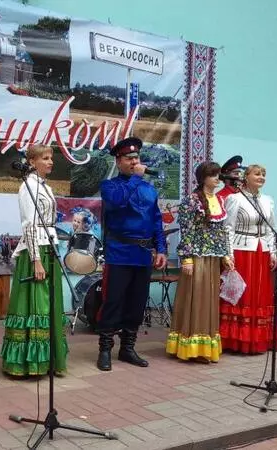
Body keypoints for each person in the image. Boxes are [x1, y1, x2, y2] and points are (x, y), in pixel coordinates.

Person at [97, 137, 167, 371]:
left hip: (143, 254)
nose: (134, 162)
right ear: (118, 162)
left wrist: (161, 249)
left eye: (136, 158)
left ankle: (127, 349)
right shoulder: (109, 186)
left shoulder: (149, 189)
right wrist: (136, 178)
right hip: (119, 252)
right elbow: (118, 201)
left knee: (137, 303)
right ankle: (105, 350)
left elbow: (156, 220)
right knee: (113, 301)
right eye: (129, 158)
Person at [0, 144, 68, 377]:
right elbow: (28, 225)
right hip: (35, 250)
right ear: (31, 161)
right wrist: (36, 260)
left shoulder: (44, 187)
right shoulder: (27, 186)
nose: (50, 162)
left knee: (50, 305)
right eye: (45, 158)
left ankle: (49, 359)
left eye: (51, 158)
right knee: (36, 304)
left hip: (49, 246)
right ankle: (28, 363)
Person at [167, 161, 233, 363]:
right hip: (196, 257)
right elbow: (186, 230)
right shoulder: (192, 200)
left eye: (218, 174)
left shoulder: (219, 200)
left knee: (210, 299)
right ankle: (191, 345)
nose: (217, 178)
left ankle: (205, 345)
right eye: (213, 175)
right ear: (203, 177)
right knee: (195, 299)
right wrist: (186, 258)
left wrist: (225, 255)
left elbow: (221, 232)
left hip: (213, 258)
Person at [219, 164, 277, 354]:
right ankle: (236, 340)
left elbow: (270, 229)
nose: (261, 177)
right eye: (257, 174)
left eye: (264, 174)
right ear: (246, 177)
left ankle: (258, 338)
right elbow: (228, 228)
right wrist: (228, 254)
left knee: (260, 293)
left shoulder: (268, 200)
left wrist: (273, 252)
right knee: (242, 294)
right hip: (241, 250)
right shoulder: (235, 199)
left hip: (262, 250)